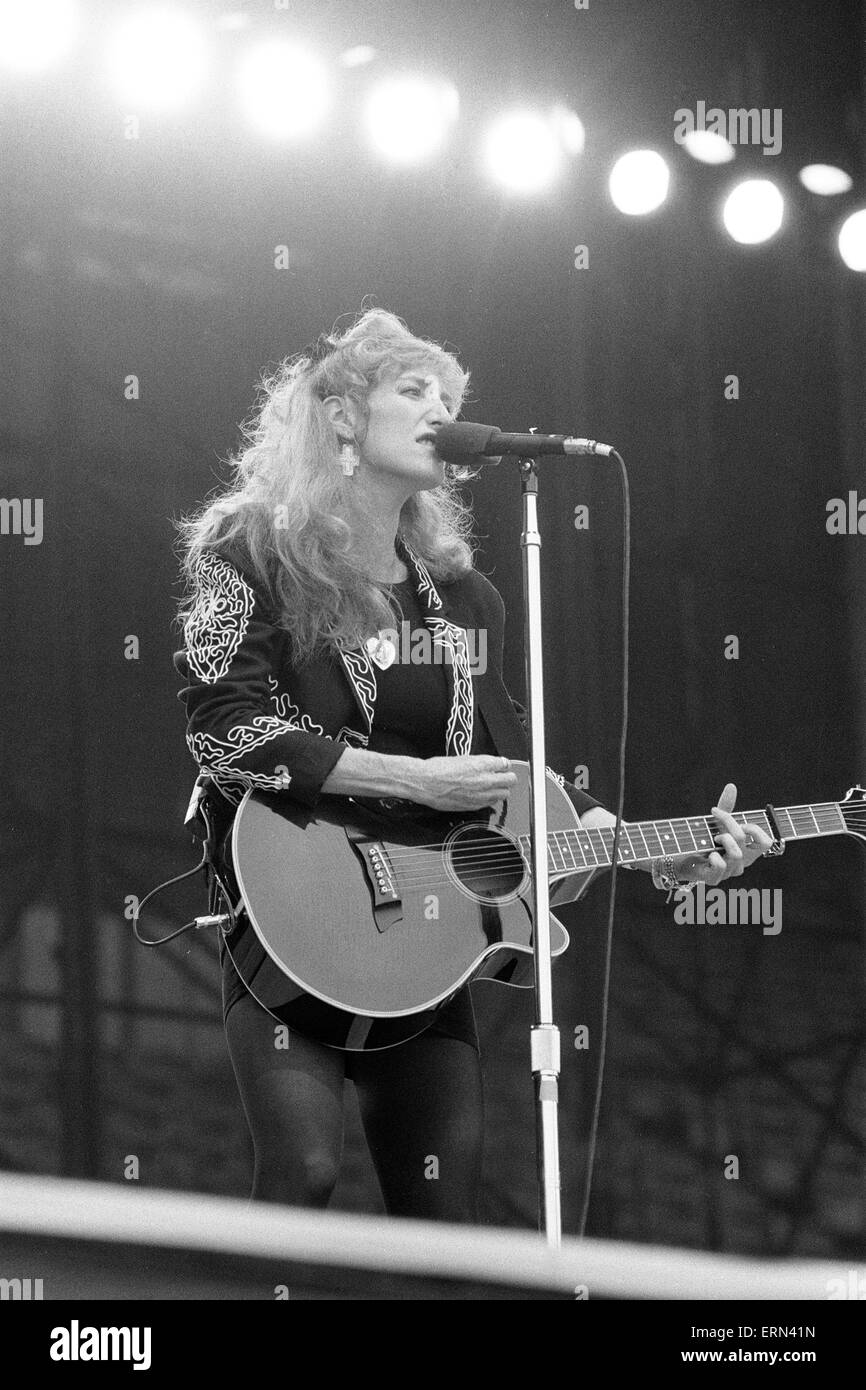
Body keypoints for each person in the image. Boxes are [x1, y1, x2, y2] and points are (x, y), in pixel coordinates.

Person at [174, 308, 773, 1221]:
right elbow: (224, 727)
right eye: (412, 390)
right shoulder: (251, 547)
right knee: (302, 1178)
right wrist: (412, 781)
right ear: (340, 416)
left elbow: (505, 770)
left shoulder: (464, 596)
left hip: (432, 933)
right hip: (296, 900)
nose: (440, 408)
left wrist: (645, 845)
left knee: (444, 1219)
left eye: (449, 397)